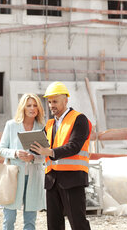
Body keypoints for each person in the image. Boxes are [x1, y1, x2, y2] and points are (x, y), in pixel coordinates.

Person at [30, 81, 92, 230]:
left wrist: (50, 152)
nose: (52, 105)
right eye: (50, 102)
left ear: (66, 100)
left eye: (55, 101)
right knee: (54, 225)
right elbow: (41, 147)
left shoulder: (79, 119)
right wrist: (31, 152)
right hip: (52, 180)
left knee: (78, 223)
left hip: (72, 179)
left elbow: (74, 146)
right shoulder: (50, 124)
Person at [0, 93, 46, 230]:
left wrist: (33, 158)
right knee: (9, 218)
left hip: (33, 176)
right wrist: (15, 153)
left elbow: (46, 154)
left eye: (35, 105)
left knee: (30, 220)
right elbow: (1, 149)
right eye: (29, 105)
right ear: (23, 107)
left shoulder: (42, 127)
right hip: (13, 176)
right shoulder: (11, 125)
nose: (32, 108)